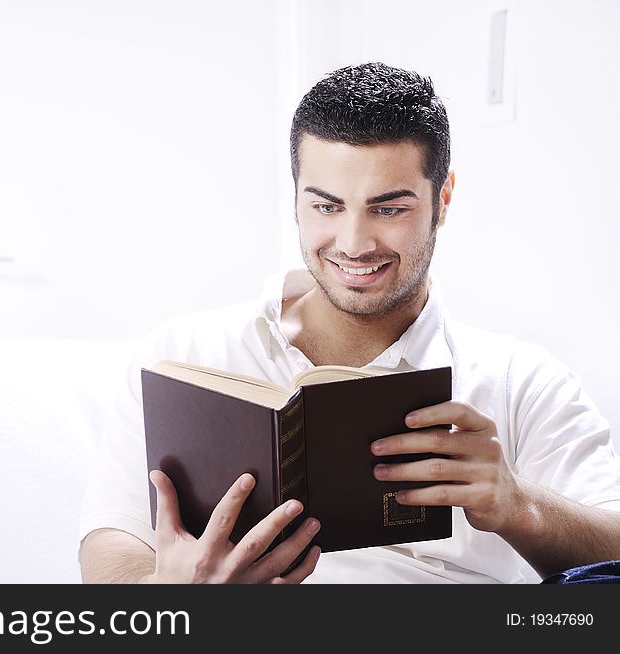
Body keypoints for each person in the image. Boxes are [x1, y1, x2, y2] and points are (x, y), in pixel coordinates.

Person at [77, 62, 620, 584]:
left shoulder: (522, 382)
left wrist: (517, 504)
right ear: (296, 198)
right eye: (326, 206)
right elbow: (112, 543)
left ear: (443, 200)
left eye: (388, 209)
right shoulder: (182, 354)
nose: (354, 244)